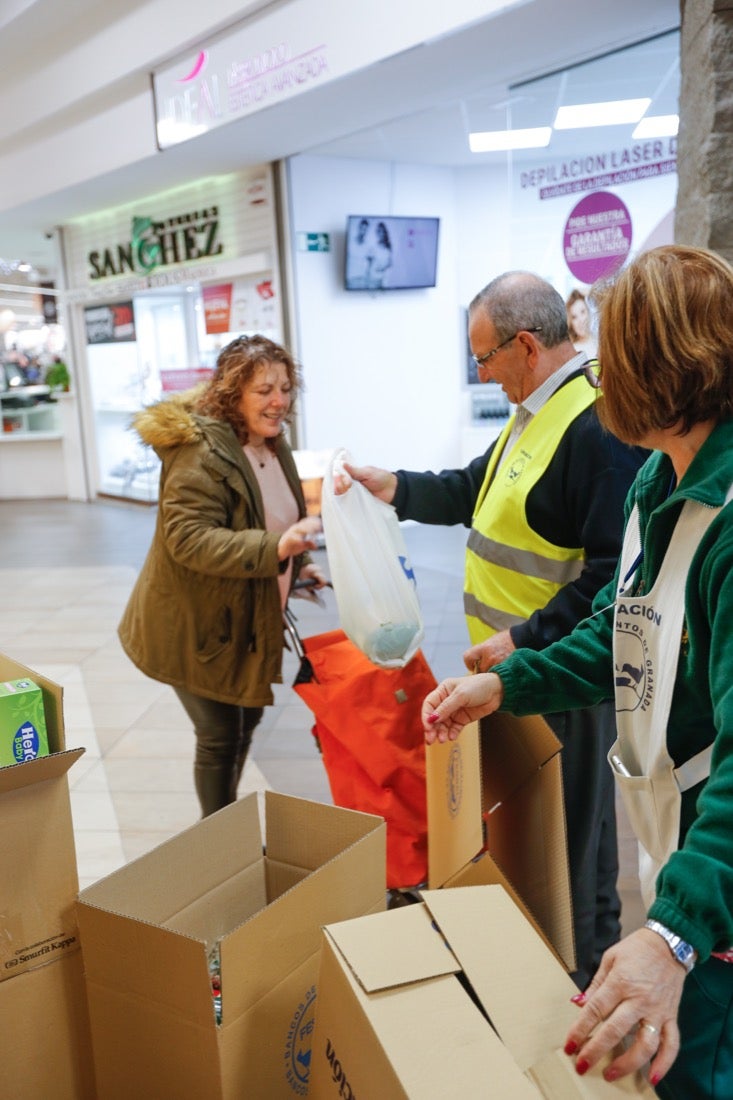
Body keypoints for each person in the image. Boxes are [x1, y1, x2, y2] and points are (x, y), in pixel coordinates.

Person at [421, 246, 733, 1099]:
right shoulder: (658, 484)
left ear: (653, 367)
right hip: (682, 857)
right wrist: (508, 684)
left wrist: (673, 935)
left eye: (608, 353)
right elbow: (625, 630)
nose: (596, 375)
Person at [340, 271, 648, 990]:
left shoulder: (594, 429)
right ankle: (565, 961)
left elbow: (616, 578)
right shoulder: (535, 413)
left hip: (562, 678)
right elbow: (474, 489)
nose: (480, 373)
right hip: (517, 678)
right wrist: (395, 487)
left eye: (484, 357)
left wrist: (525, 638)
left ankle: (573, 984)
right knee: (556, 832)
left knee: (569, 846)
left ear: (525, 346)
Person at [118, 334, 328, 817]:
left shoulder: (272, 442)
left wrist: (300, 566)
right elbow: (188, 538)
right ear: (233, 394)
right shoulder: (200, 452)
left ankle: (225, 828)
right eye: (264, 390)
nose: (279, 401)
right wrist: (277, 548)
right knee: (218, 734)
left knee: (246, 719)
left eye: (285, 388)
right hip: (194, 623)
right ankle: (219, 838)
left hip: (244, 618)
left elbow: (274, 515)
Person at [566, 288, 597, 358]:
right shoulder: (572, 351)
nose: (580, 320)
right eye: (574, 317)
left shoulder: (600, 341)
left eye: (583, 312)